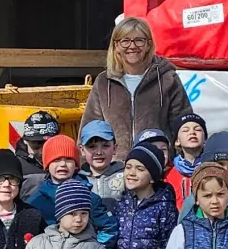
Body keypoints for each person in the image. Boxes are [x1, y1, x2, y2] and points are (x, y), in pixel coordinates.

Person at [81, 16, 194, 154]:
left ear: (148, 45)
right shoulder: (104, 82)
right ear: (116, 46)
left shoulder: (167, 79)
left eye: (139, 40)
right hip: (115, 169)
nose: (132, 46)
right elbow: (89, 128)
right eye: (125, 41)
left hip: (158, 165)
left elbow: (183, 125)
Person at [25, 134, 116, 241]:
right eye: (56, 160)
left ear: (76, 164)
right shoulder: (36, 202)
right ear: (47, 165)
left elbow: (109, 228)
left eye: (68, 159)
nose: (63, 164)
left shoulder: (89, 198)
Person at [78, 120, 124, 208]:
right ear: (82, 150)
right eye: (92, 147)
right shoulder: (77, 180)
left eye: (105, 146)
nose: (99, 152)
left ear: (114, 148)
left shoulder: (125, 177)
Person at [16, 110, 59, 202]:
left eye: (48, 145)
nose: (42, 151)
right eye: (36, 146)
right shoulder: (16, 166)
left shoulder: (68, 163)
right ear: (25, 141)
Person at [168, 113, 208, 207]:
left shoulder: (212, 169)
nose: (192, 132)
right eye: (185, 130)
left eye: (197, 129)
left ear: (205, 139)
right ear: (177, 141)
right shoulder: (169, 174)